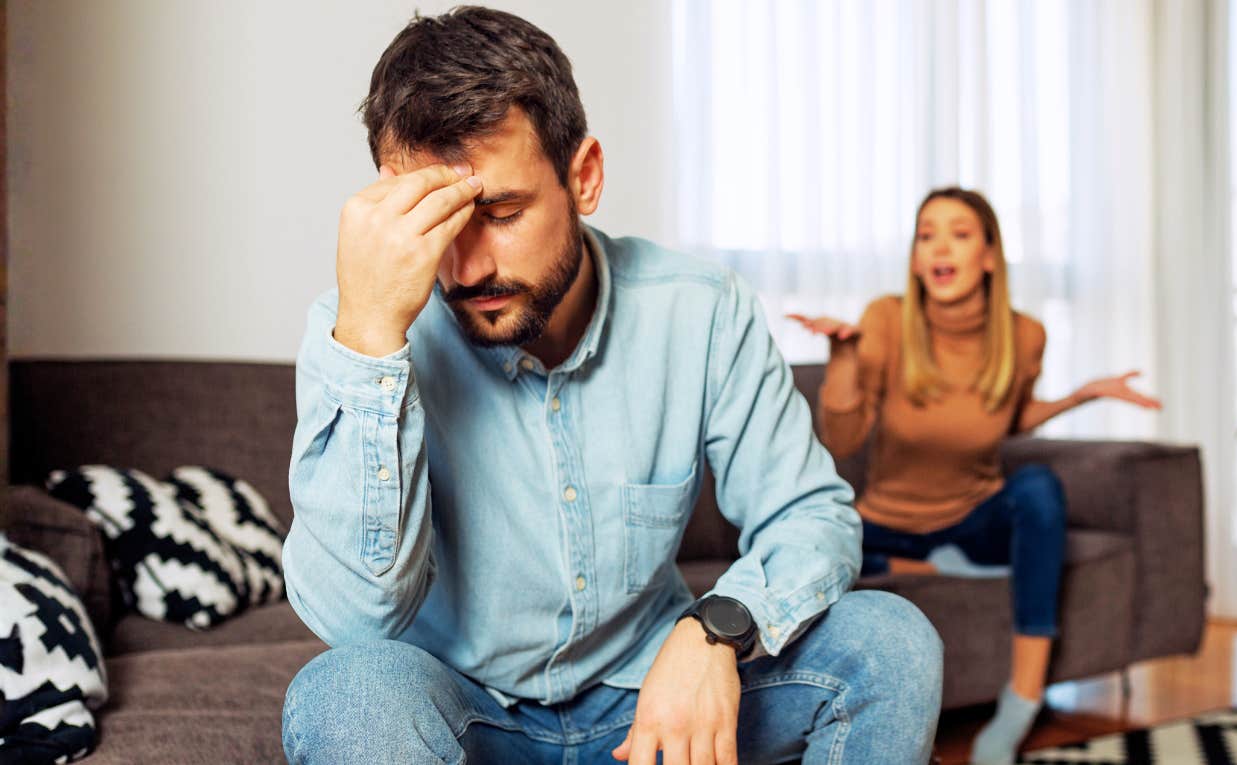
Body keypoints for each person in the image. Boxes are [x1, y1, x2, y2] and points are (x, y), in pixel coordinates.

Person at [281, 7, 943, 764]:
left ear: (584, 176)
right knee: (347, 693)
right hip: (473, 723)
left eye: (499, 212)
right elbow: (355, 626)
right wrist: (371, 345)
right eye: (433, 224)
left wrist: (718, 625)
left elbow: (811, 516)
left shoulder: (701, 311)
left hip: (654, 712)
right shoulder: (359, 331)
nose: (466, 269)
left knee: (889, 641)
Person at [789, 187, 1161, 765]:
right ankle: (925, 564)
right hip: (885, 524)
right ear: (915, 258)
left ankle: (1022, 701)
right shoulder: (886, 320)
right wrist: (843, 358)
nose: (940, 247)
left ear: (989, 255)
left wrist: (1080, 396)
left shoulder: (1025, 335)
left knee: (1039, 487)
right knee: (814, 536)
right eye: (927, 234)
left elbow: (1006, 414)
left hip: (971, 519)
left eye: (959, 234)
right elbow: (841, 441)